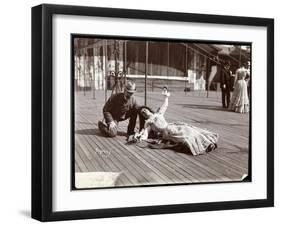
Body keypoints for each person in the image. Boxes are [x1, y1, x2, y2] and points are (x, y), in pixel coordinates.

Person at [135, 89, 219, 156]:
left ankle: (209, 142)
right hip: (167, 133)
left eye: (145, 110)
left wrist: (166, 97)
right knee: (186, 138)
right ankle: (203, 147)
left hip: (172, 127)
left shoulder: (158, 114)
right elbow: (145, 134)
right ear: (143, 116)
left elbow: (165, 106)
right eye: (143, 112)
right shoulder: (149, 123)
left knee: (190, 130)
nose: (144, 112)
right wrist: (140, 137)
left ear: (148, 110)